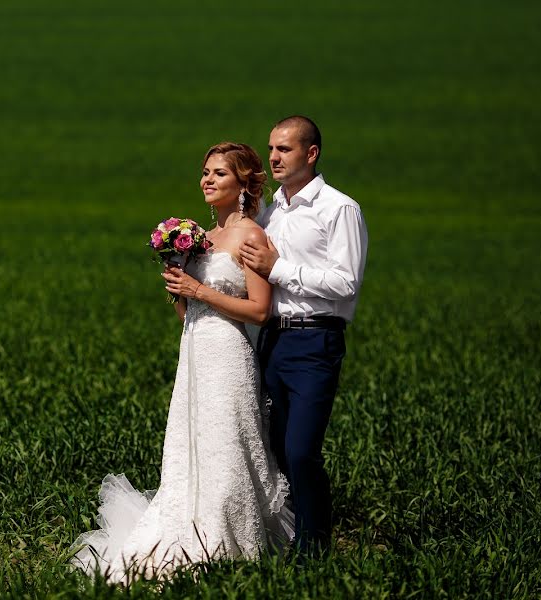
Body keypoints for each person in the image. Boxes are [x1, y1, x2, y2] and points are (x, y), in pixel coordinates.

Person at [69, 143, 294, 584]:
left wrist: (198, 290)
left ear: (244, 184)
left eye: (219, 174)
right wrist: (177, 289)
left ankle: (232, 541)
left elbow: (260, 311)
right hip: (193, 352)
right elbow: (188, 315)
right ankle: (187, 525)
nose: (207, 180)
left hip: (230, 355)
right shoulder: (200, 240)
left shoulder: (250, 236)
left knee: (227, 442)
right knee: (191, 443)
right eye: (205, 173)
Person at [240, 116, 368, 554]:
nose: (273, 157)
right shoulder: (269, 212)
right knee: (275, 449)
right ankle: (288, 537)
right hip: (272, 340)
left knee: (301, 449)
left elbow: (346, 282)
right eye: (271, 148)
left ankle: (315, 549)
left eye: (285, 149)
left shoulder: (339, 209)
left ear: (311, 154)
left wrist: (278, 269)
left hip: (316, 340)